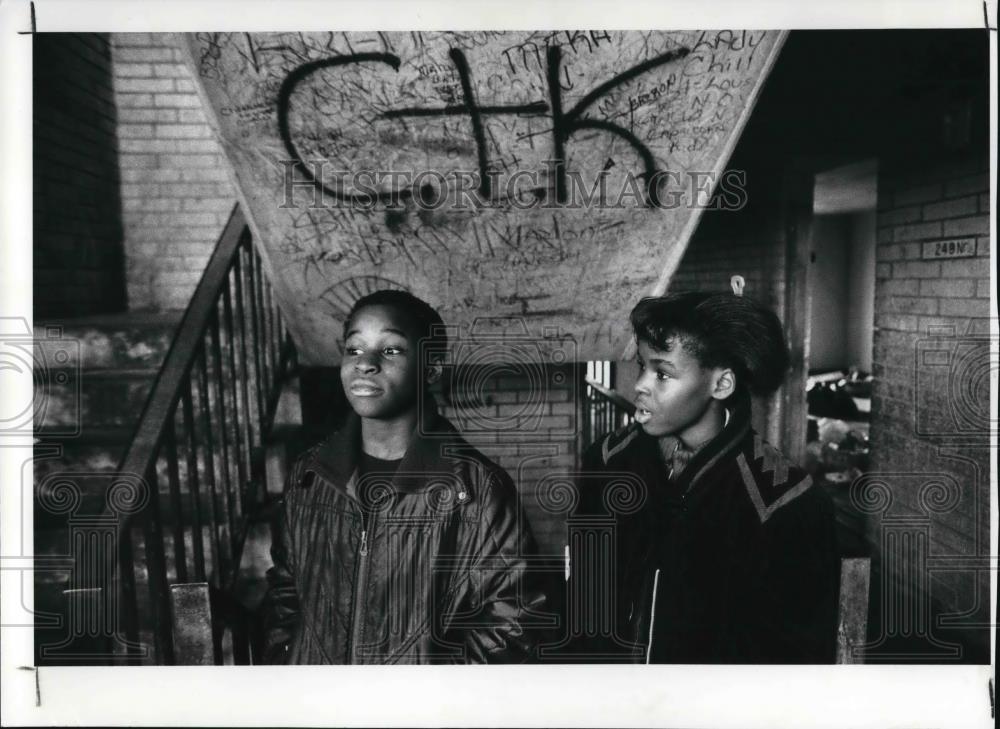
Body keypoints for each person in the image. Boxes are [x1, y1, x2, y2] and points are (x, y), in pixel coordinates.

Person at [262, 290, 549, 664]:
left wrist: (430, 693)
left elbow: (515, 623)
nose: (365, 363)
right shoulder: (309, 475)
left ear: (430, 368)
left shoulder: (476, 489)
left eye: (391, 350)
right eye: (354, 348)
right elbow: (286, 596)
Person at [569, 291, 840, 663]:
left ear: (721, 384)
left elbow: (790, 665)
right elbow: (584, 604)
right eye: (642, 366)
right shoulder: (608, 462)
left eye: (662, 373)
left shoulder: (782, 503)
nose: (640, 386)